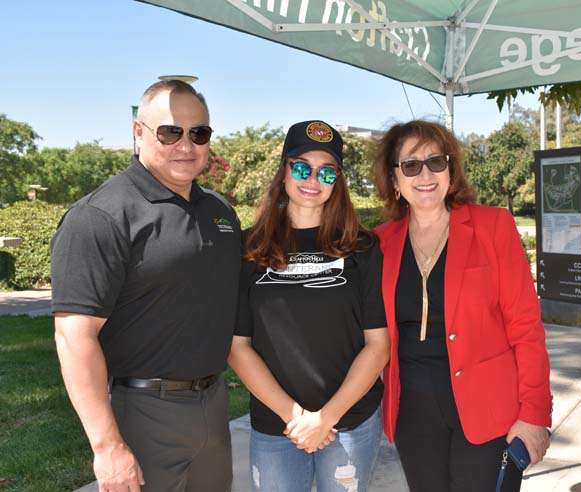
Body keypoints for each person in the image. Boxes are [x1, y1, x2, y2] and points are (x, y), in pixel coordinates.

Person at [51, 80, 240, 492]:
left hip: (213, 402)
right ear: (139, 132)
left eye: (199, 133)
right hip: (143, 412)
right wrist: (107, 447)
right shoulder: (100, 216)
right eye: (170, 132)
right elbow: (73, 336)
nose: (186, 145)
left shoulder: (219, 211)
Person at [372, 120, 552, 492]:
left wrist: (534, 414)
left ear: (451, 171)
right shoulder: (380, 243)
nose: (425, 174)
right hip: (413, 414)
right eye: (410, 165)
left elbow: (526, 327)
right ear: (394, 180)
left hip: (488, 410)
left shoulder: (493, 226)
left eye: (436, 162)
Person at [228, 120, 390, 492]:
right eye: (301, 167)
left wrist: (325, 418)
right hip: (276, 426)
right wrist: (296, 417)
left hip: (350, 423)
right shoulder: (248, 248)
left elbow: (378, 345)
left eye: (326, 171)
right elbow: (237, 347)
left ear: (338, 180)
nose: (312, 179)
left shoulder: (362, 248)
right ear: (283, 171)